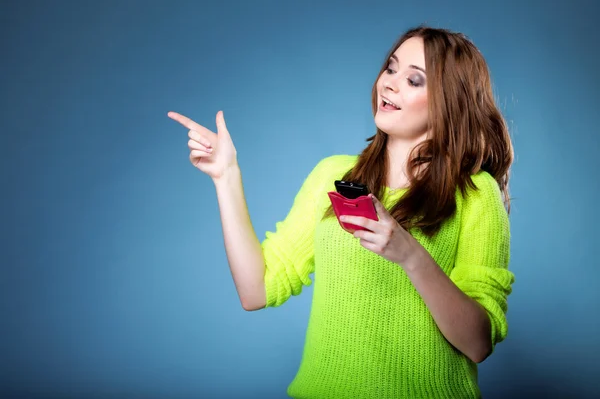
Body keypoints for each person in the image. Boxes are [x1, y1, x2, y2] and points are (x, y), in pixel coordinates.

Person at [168, 25, 515, 399]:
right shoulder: (332, 176)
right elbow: (257, 290)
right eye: (391, 68)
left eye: (414, 80)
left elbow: (478, 343)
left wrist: (410, 255)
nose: (389, 84)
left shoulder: (477, 195)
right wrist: (226, 177)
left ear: (449, 101)